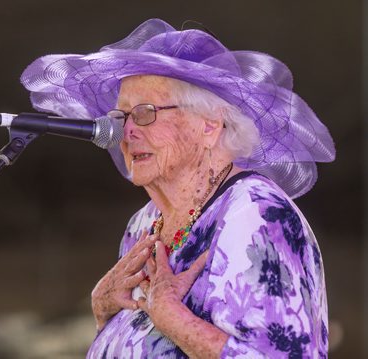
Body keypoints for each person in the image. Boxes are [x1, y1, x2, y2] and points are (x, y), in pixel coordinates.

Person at [21, 19, 335, 358]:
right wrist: (104, 314)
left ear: (210, 125)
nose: (125, 133)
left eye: (144, 114)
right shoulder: (143, 225)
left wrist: (175, 320)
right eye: (121, 117)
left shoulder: (256, 213)